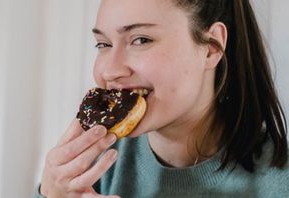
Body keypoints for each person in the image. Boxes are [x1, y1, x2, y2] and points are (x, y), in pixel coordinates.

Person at [35, 0, 289, 197]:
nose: (110, 71)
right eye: (103, 44)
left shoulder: (280, 183)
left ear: (211, 47)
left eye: (140, 40)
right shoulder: (86, 173)